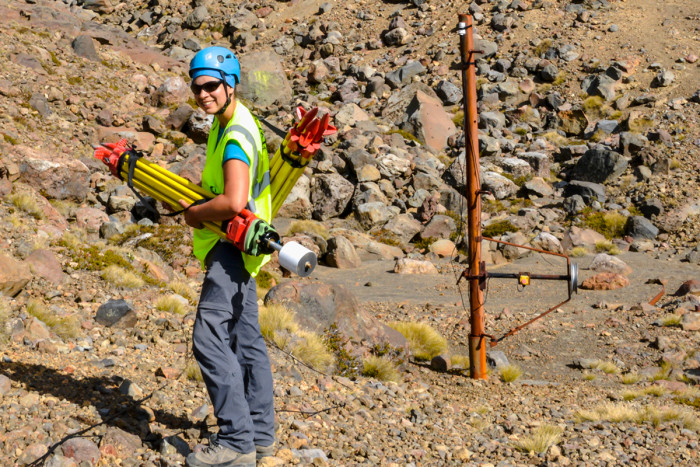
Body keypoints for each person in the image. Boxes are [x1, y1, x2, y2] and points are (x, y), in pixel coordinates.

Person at [179, 46, 275, 467]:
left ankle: (236, 442)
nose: (203, 93)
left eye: (211, 85)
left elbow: (235, 200)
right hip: (244, 247)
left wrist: (194, 213)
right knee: (246, 340)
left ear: (230, 83)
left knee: (208, 338)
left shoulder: (235, 133)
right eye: (197, 86)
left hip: (232, 246)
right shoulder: (229, 120)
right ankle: (261, 435)